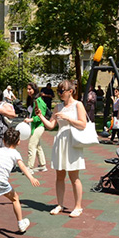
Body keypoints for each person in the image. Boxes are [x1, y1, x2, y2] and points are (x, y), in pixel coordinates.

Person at [37, 80, 87, 218]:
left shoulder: (78, 104)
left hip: (73, 142)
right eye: (58, 91)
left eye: (61, 91)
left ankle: (78, 206)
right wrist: (41, 116)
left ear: (70, 91)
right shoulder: (58, 107)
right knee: (59, 176)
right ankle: (60, 204)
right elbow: (51, 125)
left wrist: (68, 118)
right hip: (60, 141)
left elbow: (83, 124)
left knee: (74, 176)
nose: (59, 94)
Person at [23, 82, 48, 172]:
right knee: (37, 146)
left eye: (30, 89)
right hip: (33, 126)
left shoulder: (38, 100)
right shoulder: (32, 100)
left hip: (39, 126)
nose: (28, 91)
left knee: (31, 145)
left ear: (34, 90)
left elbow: (41, 115)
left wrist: (31, 120)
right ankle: (42, 165)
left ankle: (30, 167)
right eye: (27, 89)